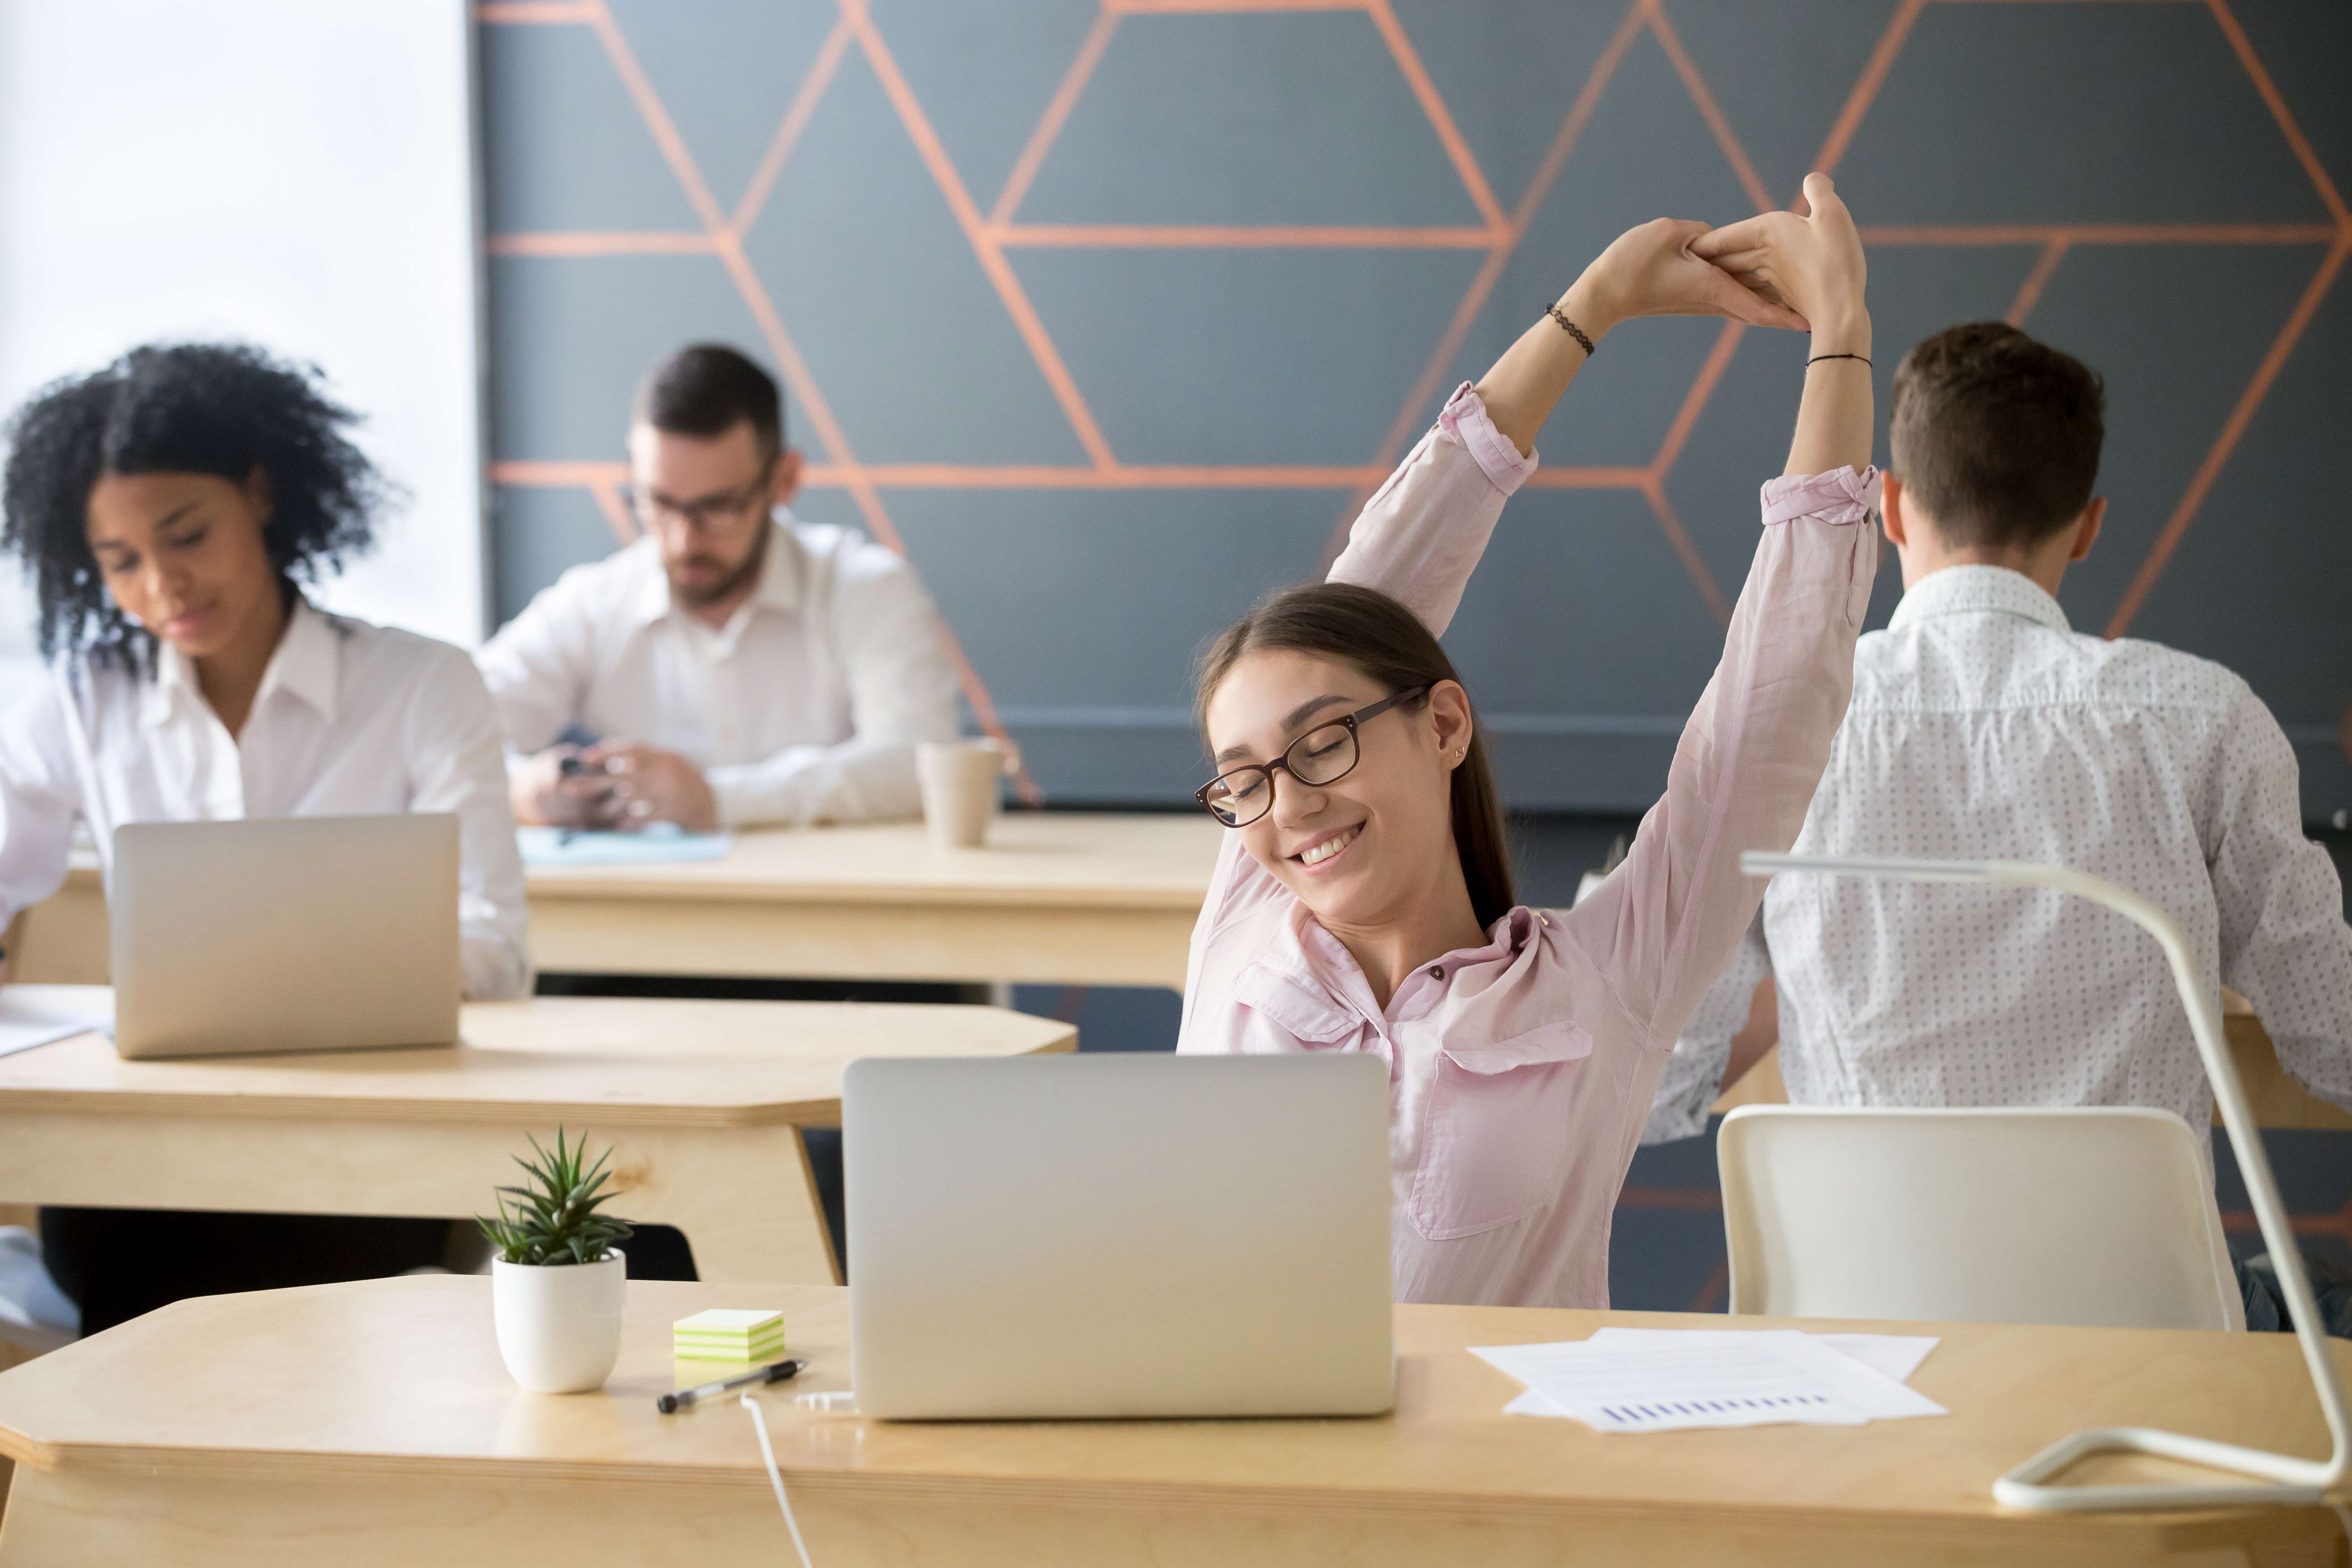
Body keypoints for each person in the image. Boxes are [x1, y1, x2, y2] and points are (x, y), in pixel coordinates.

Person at [1176, 177, 1880, 1310]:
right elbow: (1364, 595)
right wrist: (1592, 299)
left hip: (1492, 1478)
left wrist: (1837, 338)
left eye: (1321, 746)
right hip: (1224, 1471)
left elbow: (1767, 719)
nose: (1287, 805)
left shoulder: (1604, 982)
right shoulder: (1244, 932)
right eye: (1245, 780)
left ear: (1441, 723)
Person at [1642, 321, 2352, 1331]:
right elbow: (2330, 1032)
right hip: (2146, 1356)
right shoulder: (2201, 720)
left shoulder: (1780, 723)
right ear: (2087, 524)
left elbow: (1651, 1073)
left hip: (1859, 1355)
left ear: (1887, 506)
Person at [0, 342, 532, 1334]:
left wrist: (312, 978)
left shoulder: (420, 687)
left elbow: (495, 953)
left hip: (363, 1169)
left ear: (259, 493)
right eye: (121, 562)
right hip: (142, 1178)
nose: (164, 585)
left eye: (187, 534)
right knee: (129, 1258)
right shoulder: (78, 706)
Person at [478, 343, 960, 832]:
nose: (685, 539)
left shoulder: (866, 588)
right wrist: (524, 790)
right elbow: (448, 733)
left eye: (719, 506)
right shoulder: (594, 604)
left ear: (784, 479)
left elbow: (919, 763)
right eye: (659, 503)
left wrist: (718, 799)